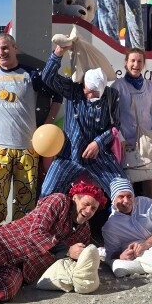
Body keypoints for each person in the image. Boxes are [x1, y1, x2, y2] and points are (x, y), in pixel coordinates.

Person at [0, 34, 61, 228]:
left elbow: (57, 96)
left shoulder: (31, 75)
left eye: (5, 48)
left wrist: (47, 124)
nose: (1, 53)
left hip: (28, 149)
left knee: (25, 204)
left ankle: (20, 243)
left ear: (15, 48)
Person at [38, 41, 127, 200]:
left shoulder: (111, 95)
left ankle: (120, 223)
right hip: (70, 154)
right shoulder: (73, 89)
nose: (90, 95)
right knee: (47, 194)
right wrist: (58, 53)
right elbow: (47, 77)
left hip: (99, 156)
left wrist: (98, 143)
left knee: (123, 191)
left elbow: (115, 125)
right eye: (87, 91)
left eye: (94, 93)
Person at [114, 48, 152, 204]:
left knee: (151, 191)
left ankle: (150, 223)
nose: (136, 64)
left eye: (139, 61)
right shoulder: (118, 86)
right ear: (126, 63)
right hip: (127, 145)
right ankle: (128, 225)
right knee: (127, 192)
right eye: (132, 61)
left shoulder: (150, 86)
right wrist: (120, 138)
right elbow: (112, 117)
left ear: (144, 64)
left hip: (148, 144)